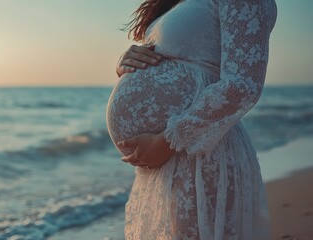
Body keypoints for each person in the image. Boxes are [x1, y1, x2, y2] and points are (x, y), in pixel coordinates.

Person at [106, 0, 277, 239]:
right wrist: (125, 63)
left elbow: (241, 85)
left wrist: (166, 142)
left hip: (199, 148)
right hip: (173, 152)